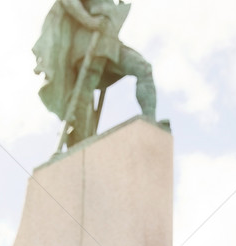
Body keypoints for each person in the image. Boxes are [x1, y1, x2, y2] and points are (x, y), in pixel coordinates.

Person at [33, 0, 156, 147]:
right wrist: (89, 21)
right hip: (88, 39)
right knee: (85, 92)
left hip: (109, 39)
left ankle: (151, 122)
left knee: (143, 69)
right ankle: (80, 144)